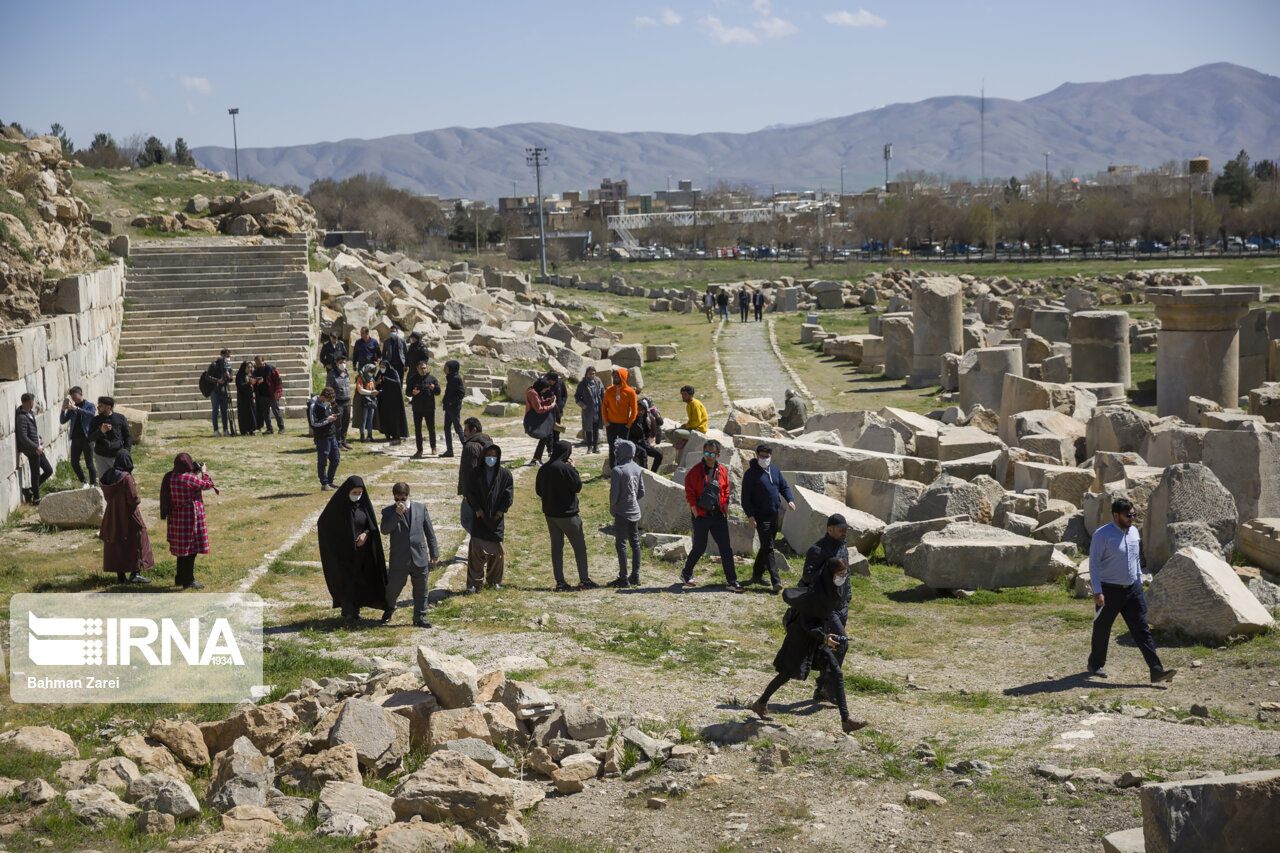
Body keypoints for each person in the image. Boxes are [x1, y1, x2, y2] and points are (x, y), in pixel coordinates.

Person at [751, 558, 867, 734]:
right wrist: (824, 637)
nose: (843, 578)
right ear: (830, 574)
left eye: (845, 574)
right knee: (786, 674)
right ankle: (761, 703)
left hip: (818, 641)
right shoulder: (816, 593)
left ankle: (846, 720)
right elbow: (806, 622)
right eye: (839, 575)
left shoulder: (831, 590)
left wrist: (826, 636)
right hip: (801, 639)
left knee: (836, 672)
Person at [1088, 498, 1178, 683]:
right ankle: (1096, 664)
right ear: (1115, 515)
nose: (1132, 518)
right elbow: (1094, 564)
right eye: (1128, 515)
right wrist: (1097, 591)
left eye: (1134, 514)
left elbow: (1136, 559)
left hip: (1132, 590)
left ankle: (1156, 670)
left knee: (1142, 629)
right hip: (1109, 590)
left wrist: (1139, 583)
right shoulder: (1102, 535)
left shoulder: (1134, 532)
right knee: (1102, 629)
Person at [317, 476, 387, 628]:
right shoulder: (338, 508)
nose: (357, 495)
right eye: (354, 492)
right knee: (347, 583)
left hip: (362, 555)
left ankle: (355, 611)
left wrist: (365, 534)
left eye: (360, 492)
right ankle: (348, 613)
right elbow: (324, 523)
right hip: (344, 556)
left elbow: (371, 526)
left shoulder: (363, 506)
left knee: (359, 582)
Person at [801, 514, 853, 702]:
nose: (844, 532)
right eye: (840, 529)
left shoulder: (843, 546)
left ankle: (823, 687)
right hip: (827, 607)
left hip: (842, 605)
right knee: (841, 642)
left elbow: (846, 573)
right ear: (829, 529)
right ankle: (829, 687)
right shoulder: (817, 549)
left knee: (832, 646)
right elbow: (807, 577)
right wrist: (828, 573)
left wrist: (848, 594)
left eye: (846, 529)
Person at [679, 439, 741, 591]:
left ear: (718, 455)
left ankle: (732, 581)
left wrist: (725, 506)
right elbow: (689, 491)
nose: (709, 456)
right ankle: (686, 573)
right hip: (701, 515)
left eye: (713, 453)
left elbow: (726, 489)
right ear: (703, 453)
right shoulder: (695, 471)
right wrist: (694, 510)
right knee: (699, 547)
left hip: (718, 516)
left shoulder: (723, 471)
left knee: (726, 548)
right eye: (707, 453)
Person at [536, 440, 596, 591]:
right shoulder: (566, 468)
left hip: (550, 515)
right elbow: (577, 486)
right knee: (579, 547)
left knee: (557, 548)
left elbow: (538, 491)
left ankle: (560, 582)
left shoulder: (544, 468)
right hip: (569, 516)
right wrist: (573, 469)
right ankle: (584, 579)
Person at [380, 481, 438, 627]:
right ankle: (389, 608)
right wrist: (397, 515)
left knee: (421, 589)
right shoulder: (388, 511)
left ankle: (420, 617)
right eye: (397, 499)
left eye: (403, 499)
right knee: (393, 588)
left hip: (419, 556)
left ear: (408, 496)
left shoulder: (420, 508)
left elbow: (429, 532)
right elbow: (385, 530)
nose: (400, 502)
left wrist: (434, 552)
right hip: (399, 558)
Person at [742, 444, 796, 593]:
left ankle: (757, 575)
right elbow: (745, 498)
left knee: (766, 546)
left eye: (767, 456)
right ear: (757, 456)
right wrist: (750, 516)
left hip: (774, 515)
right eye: (762, 456)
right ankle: (776, 581)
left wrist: (789, 499)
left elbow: (783, 487)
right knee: (769, 548)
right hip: (760, 517)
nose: (765, 459)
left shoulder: (775, 470)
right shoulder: (751, 474)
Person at [160, 454, 217, 590]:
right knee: (191, 551)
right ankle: (188, 580)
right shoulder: (189, 478)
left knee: (182, 550)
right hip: (189, 518)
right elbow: (207, 485)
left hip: (176, 517)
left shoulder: (171, 476)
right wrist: (204, 472)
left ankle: (179, 577)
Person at [98, 452, 152, 585]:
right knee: (137, 537)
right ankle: (135, 573)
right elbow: (132, 499)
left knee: (117, 541)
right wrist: (139, 499)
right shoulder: (126, 477)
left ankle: (120, 574)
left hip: (112, 513)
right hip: (128, 513)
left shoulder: (108, 475)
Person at [465, 443, 513, 592]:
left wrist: (500, 512)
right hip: (479, 518)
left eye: (494, 456)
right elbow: (470, 493)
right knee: (476, 551)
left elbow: (508, 494)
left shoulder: (504, 474)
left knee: (497, 553)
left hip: (496, 520)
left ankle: (494, 581)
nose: (491, 458)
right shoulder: (475, 473)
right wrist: (478, 510)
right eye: (488, 455)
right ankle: (474, 583)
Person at [608, 438, 646, 588]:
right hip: (635, 510)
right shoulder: (637, 468)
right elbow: (641, 491)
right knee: (635, 543)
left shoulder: (618, 470)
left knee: (621, 544)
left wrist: (614, 507)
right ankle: (635, 575)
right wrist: (632, 500)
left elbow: (614, 496)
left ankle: (623, 578)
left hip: (622, 512)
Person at [16, 393, 53, 505]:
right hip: (32, 450)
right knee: (35, 474)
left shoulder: (30, 413)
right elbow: (23, 437)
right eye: (32, 401)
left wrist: (39, 438)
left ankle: (30, 491)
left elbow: (32, 432)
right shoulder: (21, 417)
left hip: (37, 448)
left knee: (48, 470)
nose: (33, 403)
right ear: (28, 402)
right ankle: (36, 499)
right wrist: (35, 446)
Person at [457, 417, 491, 533]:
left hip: (473, 496)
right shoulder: (488, 443)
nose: (464, 433)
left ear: (474, 430)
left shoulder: (470, 447)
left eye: (466, 430)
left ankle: (481, 546)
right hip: (487, 493)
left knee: (467, 522)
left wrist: (468, 496)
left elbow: (469, 474)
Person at [60, 386, 97, 487]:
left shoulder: (90, 405)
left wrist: (78, 409)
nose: (74, 399)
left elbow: (91, 414)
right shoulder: (72, 409)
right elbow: (62, 421)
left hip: (87, 438)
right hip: (75, 439)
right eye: (72, 397)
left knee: (89, 463)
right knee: (74, 462)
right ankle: (84, 482)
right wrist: (63, 410)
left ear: (81, 394)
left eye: (75, 396)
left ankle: (93, 483)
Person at [601, 367, 638, 470]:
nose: (614, 378)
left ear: (622, 377)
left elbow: (634, 410)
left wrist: (629, 424)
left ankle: (623, 467)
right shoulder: (609, 390)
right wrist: (606, 421)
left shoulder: (630, 392)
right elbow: (604, 407)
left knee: (623, 448)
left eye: (616, 376)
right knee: (612, 447)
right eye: (613, 376)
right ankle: (613, 469)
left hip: (624, 425)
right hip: (611, 425)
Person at [89, 396, 131, 480]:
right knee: (105, 483)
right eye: (98, 405)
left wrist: (126, 451)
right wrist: (101, 431)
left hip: (117, 457)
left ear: (108, 407)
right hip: (101, 457)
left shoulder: (120, 418)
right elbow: (90, 437)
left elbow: (127, 436)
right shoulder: (95, 420)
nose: (98, 407)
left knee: (120, 481)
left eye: (100, 405)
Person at [406, 360, 441, 458]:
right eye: (421, 368)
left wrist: (433, 388)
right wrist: (413, 392)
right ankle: (419, 450)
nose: (423, 370)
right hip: (417, 408)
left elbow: (438, 392)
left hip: (429, 408)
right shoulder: (413, 379)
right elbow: (407, 392)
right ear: (417, 368)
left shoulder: (432, 378)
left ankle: (433, 447)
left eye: (425, 368)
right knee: (418, 430)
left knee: (431, 429)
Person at [309, 387, 341, 490]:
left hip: (332, 435)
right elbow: (313, 423)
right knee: (323, 461)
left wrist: (333, 411)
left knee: (335, 459)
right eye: (328, 400)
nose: (328, 402)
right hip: (322, 437)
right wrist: (327, 420)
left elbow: (338, 413)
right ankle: (324, 483)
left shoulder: (328, 403)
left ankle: (330, 481)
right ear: (323, 397)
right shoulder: (313, 405)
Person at [524, 377, 557, 466]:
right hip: (534, 419)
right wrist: (551, 406)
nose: (544, 392)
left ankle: (536, 459)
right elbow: (538, 409)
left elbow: (540, 402)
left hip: (538, 418)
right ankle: (535, 459)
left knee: (545, 436)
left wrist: (549, 400)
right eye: (544, 390)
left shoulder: (535, 392)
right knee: (544, 436)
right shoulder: (532, 393)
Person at [376, 360, 409, 445]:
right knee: (385, 417)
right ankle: (387, 434)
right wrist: (378, 382)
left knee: (394, 418)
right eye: (381, 367)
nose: (382, 369)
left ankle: (396, 434)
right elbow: (376, 383)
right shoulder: (380, 373)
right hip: (384, 399)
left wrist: (386, 379)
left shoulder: (393, 372)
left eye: (384, 367)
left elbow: (397, 383)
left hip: (394, 399)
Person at [574, 366, 605, 453]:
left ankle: (596, 447)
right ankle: (589, 447)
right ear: (587, 373)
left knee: (596, 429)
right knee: (588, 429)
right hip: (587, 410)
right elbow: (577, 396)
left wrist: (604, 403)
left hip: (597, 409)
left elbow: (603, 393)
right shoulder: (582, 384)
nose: (592, 375)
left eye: (593, 374)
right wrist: (582, 405)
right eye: (590, 374)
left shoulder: (598, 382)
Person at [667, 385, 708, 449]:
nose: (683, 396)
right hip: (691, 428)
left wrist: (685, 426)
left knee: (676, 433)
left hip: (698, 431)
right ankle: (683, 442)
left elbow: (697, 422)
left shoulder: (695, 404)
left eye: (685, 394)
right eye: (682, 394)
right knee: (668, 432)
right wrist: (685, 426)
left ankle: (684, 443)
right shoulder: (689, 404)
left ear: (691, 395)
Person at [327, 354, 353, 450]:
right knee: (338, 424)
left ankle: (344, 441)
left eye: (344, 363)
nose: (343, 364)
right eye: (341, 363)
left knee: (346, 422)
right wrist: (333, 402)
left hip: (347, 401)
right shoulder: (331, 374)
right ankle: (338, 443)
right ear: (337, 363)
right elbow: (329, 389)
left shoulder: (346, 373)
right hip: (338, 402)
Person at [253, 356, 284, 433]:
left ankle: (281, 428)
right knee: (265, 413)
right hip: (262, 395)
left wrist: (277, 391)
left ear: (264, 361)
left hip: (272, 394)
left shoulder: (271, 368)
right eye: (257, 364)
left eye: (260, 364)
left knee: (276, 411)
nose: (259, 365)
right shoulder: (256, 370)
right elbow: (254, 383)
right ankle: (269, 428)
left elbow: (278, 381)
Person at [440, 360, 465, 457]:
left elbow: (461, 393)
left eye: (446, 368)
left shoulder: (456, 378)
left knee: (458, 428)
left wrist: (452, 402)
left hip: (453, 408)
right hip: (448, 407)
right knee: (447, 428)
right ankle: (449, 450)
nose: (444, 370)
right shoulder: (450, 378)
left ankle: (466, 447)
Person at [206, 350, 232, 436]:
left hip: (224, 390)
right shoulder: (214, 364)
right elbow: (207, 376)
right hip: (215, 390)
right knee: (215, 411)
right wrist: (217, 380)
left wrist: (228, 376)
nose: (227, 358)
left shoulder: (228, 366)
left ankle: (225, 429)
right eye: (226, 356)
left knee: (224, 411)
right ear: (222, 355)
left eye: (229, 357)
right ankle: (216, 430)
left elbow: (230, 379)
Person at [355, 363, 380, 441]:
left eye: (373, 371)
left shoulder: (372, 379)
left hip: (371, 401)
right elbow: (360, 390)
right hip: (363, 401)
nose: (372, 373)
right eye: (371, 371)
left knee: (370, 418)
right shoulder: (360, 378)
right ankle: (362, 436)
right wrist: (370, 393)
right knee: (363, 419)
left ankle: (370, 435)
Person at [235, 361, 260, 436]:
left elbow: (253, 385)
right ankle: (244, 430)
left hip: (250, 397)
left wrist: (257, 382)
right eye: (248, 367)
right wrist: (249, 383)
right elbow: (240, 386)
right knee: (244, 414)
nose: (250, 369)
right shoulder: (239, 375)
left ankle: (251, 429)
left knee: (251, 413)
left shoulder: (251, 375)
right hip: (243, 398)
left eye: (251, 367)